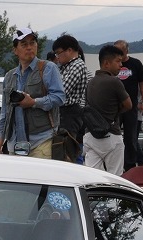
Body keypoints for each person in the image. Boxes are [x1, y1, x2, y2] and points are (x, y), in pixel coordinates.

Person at [0, 27, 64, 158]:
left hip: (41, 141)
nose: (29, 47)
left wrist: (34, 102)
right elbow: (5, 110)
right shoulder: (9, 76)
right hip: (14, 143)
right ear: (15, 50)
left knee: (40, 179)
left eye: (32, 43)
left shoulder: (48, 68)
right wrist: (0, 136)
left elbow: (59, 97)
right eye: (24, 44)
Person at [83, 44, 133, 174]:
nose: (121, 65)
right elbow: (129, 105)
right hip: (111, 135)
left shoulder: (90, 82)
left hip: (91, 135)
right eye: (118, 61)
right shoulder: (114, 82)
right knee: (115, 177)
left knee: (92, 177)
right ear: (106, 63)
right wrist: (117, 110)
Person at [52, 34, 88, 162]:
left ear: (70, 50)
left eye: (58, 53)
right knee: (58, 150)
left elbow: (61, 91)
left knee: (66, 151)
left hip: (70, 113)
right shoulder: (65, 66)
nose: (57, 57)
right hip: (62, 113)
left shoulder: (77, 65)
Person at [114, 40, 143, 168]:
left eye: (121, 52)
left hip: (131, 105)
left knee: (131, 137)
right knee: (115, 135)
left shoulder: (135, 63)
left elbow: (142, 83)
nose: (119, 55)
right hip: (116, 106)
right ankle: (117, 162)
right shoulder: (113, 64)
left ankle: (130, 164)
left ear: (127, 51)